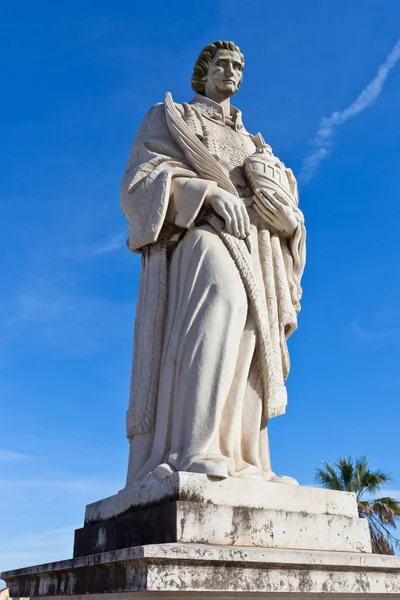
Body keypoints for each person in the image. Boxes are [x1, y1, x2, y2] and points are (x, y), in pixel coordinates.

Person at [120, 41, 306, 485]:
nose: (232, 72)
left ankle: (246, 458)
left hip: (257, 245)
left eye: (239, 66)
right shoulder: (171, 118)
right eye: (222, 64)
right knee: (220, 307)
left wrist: (290, 222)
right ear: (202, 72)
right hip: (201, 233)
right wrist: (207, 193)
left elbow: (286, 204)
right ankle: (194, 445)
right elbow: (138, 182)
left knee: (251, 337)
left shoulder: (254, 142)